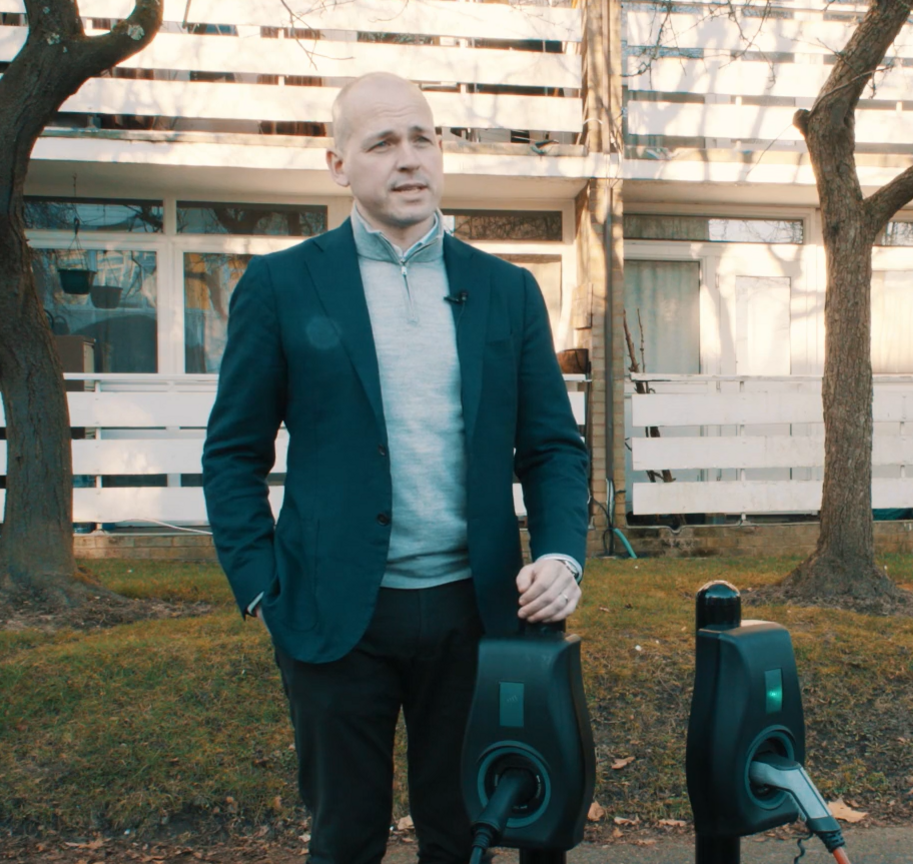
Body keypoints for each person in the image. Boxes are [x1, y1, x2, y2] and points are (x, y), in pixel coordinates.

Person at [201, 71, 590, 864]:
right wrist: (260, 589)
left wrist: (561, 552)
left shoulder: (507, 291)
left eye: (424, 137)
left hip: (476, 617)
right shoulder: (280, 286)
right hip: (334, 618)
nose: (409, 159)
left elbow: (550, 448)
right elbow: (233, 454)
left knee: (466, 834)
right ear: (339, 163)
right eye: (382, 142)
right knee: (345, 837)